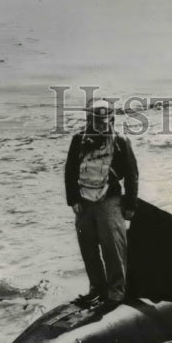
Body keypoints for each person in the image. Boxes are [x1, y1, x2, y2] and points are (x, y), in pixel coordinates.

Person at [65, 98, 139, 309]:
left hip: (110, 200)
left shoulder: (120, 141)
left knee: (113, 247)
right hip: (84, 201)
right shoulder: (79, 140)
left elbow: (132, 174)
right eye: (97, 120)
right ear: (90, 119)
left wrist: (130, 206)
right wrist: (73, 200)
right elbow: (70, 171)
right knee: (87, 247)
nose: (101, 124)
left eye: (105, 120)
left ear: (111, 119)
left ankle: (116, 291)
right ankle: (96, 288)